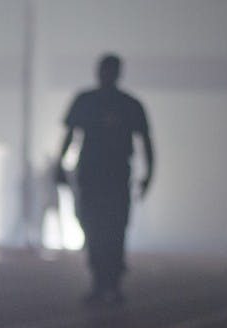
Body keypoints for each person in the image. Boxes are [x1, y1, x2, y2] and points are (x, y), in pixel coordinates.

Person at [56, 53, 154, 305]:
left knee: (115, 228)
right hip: (90, 174)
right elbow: (70, 136)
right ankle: (100, 279)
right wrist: (59, 166)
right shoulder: (85, 101)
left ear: (117, 73)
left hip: (116, 176)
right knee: (90, 225)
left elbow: (146, 142)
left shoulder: (129, 105)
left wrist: (149, 176)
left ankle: (112, 281)